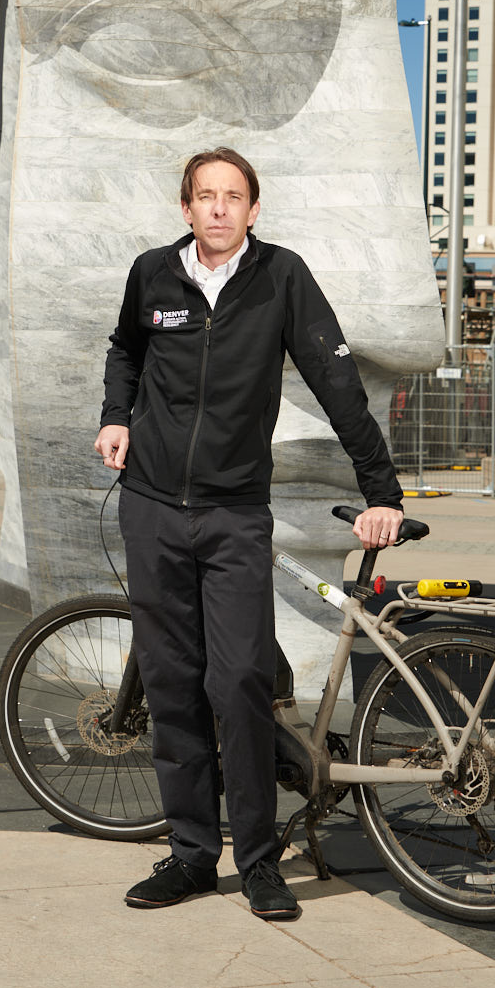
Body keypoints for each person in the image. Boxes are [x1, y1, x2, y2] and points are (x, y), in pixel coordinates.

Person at [94, 147, 404, 921]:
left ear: (253, 209)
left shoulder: (281, 277)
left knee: (237, 684)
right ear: (187, 207)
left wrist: (382, 491)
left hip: (233, 512)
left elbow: (337, 384)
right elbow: (124, 351)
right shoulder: (151, 274)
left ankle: (259, 860)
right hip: (153, 505)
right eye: (206, 196)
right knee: (170, 684)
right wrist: (113, 415)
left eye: (234, 197)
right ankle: (194, 857)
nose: (220, 208)